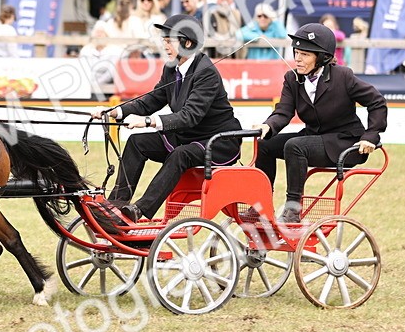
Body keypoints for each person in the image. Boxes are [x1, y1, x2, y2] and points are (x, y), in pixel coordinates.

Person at [88, 14, 243, 227]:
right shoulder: (171, 68)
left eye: (170, 39)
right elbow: (152, 100)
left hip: (217, 142)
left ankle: (139, 210)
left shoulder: (206, 73)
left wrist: (149, 121)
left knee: (181, 154)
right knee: (136, 142)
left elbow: (190, 115)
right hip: (187, 137)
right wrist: (115, 112)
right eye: (164, 39)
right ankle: (116, 206)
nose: (165, 44)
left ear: (188, 43)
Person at [251, 23, 387, 224]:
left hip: (345, 142)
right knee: (265, 143)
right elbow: (283, 111)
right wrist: (268, 126)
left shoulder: (343, 76)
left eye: (305, 54)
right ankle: (260, 206)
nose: (297, 58)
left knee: (295, 146)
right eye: (296, 52)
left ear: (322, 57)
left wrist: (371, 136)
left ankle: (292, 210)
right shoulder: (292, 78)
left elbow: (377, 102)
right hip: (314, 138)